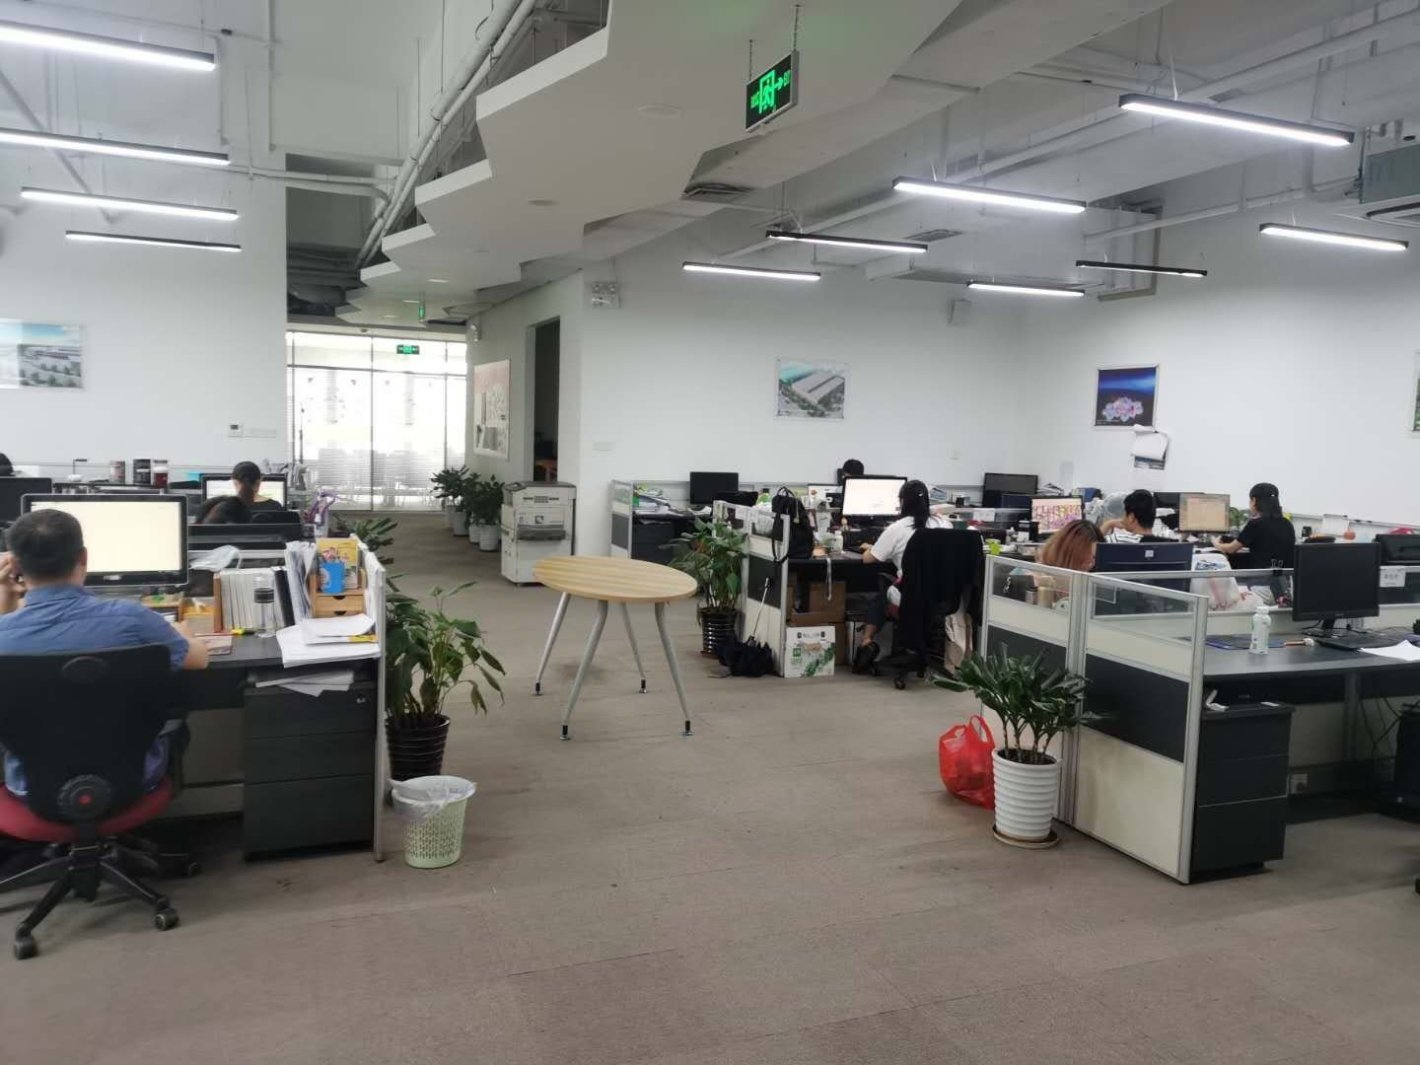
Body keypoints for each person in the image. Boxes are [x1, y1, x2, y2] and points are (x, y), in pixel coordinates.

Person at [0, 509, 209, 797]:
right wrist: (183, 632)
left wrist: (6, 595)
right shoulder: (133, 619)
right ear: (84, 557)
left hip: (29, 788)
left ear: (15, 564)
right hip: (132, 780)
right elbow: (199, 660)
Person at [852, 479, 948, 672]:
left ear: (903, 502)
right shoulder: (943, 524)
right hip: (942, 597)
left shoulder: (898, 528)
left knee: (881, 595)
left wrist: (871, 547)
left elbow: (868, 559)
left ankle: (867, 642)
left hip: (909, 598)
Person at [1212, 482, 1295, 567]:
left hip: (1261, 574)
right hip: (1284, 574)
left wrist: (1216, 544)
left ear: (1254, 500)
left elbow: (1231, 549)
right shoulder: (1287, 523)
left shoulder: (1255, 524)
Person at [1099, 490, 1175, 543]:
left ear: (1131, 517)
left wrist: (1109, 524)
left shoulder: (1116, 540)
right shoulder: (1168, 544)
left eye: (1125, 514)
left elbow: (1093, 546)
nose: (1123, 518)